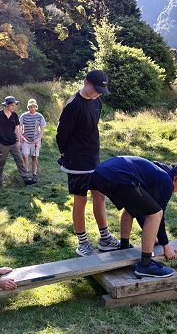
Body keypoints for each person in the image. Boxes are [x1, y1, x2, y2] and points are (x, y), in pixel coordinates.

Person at [90, 156, 177, 277]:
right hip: (117, 175)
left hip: (101, 172)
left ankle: (124, 247)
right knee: (156, 214)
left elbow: (140, 210)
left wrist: (153, 237)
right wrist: (166, 245)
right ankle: (145, 264)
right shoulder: (166, 182)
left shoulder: (160, 171)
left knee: (132, 208)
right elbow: (158, 217)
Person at [56, 70, 119, 257]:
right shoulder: (73, 105)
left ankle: (105, 238)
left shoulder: (97, 102)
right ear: (86, 82)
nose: (98, 93)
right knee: (80, 199)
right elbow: (61, 134)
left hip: (94, 158)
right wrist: (65, 153)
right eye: (96, 89)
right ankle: (82, 243)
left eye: (101, 91)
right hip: (77, 160)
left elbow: (92, 128)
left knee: (100, 196)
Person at [0, 96, 36, 188]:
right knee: (1, 162)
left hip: (13, 142)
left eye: (14, 105)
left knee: (19, 161)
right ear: (7, 105)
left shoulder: (14, 115)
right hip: (2, 143)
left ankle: (26, 178)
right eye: (12, 105)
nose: (13, 107)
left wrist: (19, 141)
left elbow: (17, 128)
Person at [19, 99, 46, 180]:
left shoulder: (40, 116)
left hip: (35, 140)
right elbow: (19, 128)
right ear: (28, 107)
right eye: (30, 107)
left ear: (36, 107)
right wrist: (21, 137)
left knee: (34, 157)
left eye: (34, 107)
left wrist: (38, 139)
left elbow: (42, 130)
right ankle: (26, 173)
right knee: (25, 156)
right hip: (26, 140)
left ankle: (34, 173)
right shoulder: (23, 116)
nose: (32, 108)